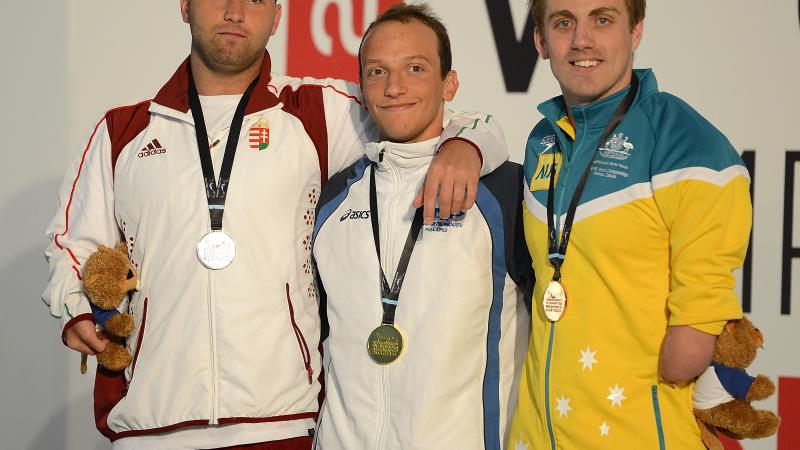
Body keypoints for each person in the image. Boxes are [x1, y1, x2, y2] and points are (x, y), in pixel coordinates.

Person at [42, 1, 508, 448]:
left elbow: (432, 115)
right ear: (184, 6)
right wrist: (77, 310)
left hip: (280, 425)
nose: (234, 12)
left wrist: (466, 147)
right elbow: (71, 247)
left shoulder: (316, 110)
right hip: (150, 423)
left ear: (277, 17)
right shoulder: (123, 131)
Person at [508, 0, 751, 448]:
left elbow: (695, 332)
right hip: (537, 434)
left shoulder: (685, 141)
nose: (582, 39)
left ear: (636, 31)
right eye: (564, 23)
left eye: (603, 19)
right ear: (541, 40)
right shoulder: (542, 139)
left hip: (637, 432)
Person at [311, 4, 533, 449]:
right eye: (377, 71)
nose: (394, 87)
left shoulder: (505, 191)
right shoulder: (332, 199)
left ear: (449, 83)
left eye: (416, 68)